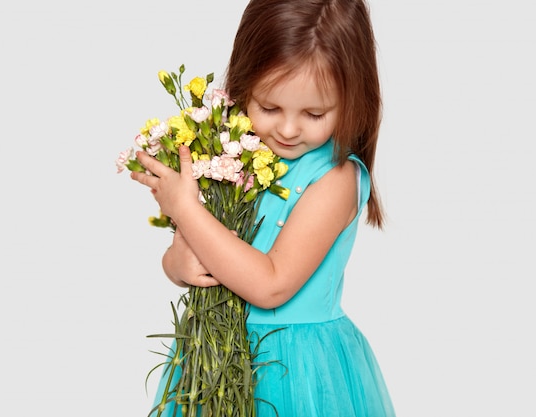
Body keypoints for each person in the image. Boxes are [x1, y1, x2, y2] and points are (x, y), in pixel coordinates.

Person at [131, 0, 395, 415]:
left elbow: (271, 285)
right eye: (269, 107)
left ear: (352, 100)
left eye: (314, 113)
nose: (287, 130)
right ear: (242, 86)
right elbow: (192, 253)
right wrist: (177, 264)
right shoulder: (233, 153)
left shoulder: (335, 178)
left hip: (297, 370)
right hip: (213, 361)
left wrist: (185, 210)